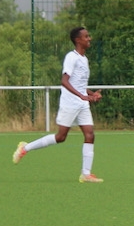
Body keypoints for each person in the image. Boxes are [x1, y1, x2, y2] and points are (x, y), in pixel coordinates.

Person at [13, 27, 104, 183]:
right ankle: (25, 148)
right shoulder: (71, 57)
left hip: (82, 104)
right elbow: (64, 81)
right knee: (61, 137)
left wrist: (91, 94)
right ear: (78, 40)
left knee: (90, 135)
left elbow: (80, 85)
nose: (89, 39)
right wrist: (82, 96)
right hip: (70, 103)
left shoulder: (84, 59)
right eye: (86, 36)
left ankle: (86, 174)